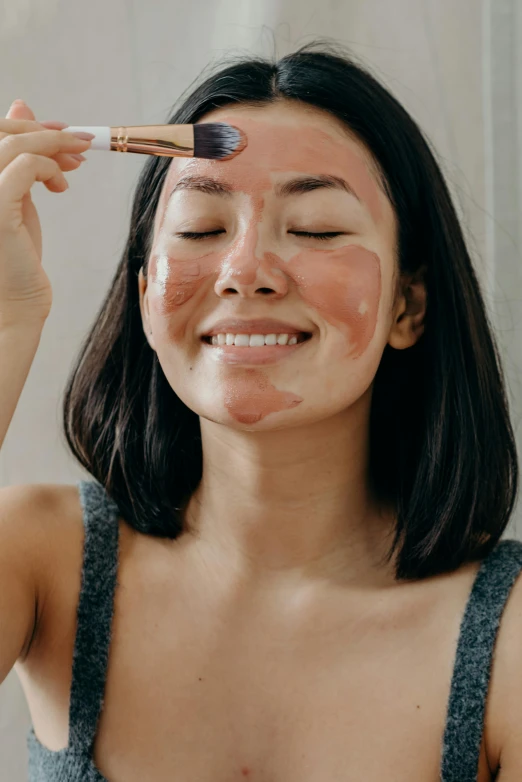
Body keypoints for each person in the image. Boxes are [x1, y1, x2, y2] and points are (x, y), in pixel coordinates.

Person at [0, 41, 521, 782]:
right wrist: (7, 321)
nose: (246, 270)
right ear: (147, 297)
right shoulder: (39, 561)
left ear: (409, 305)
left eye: (315, 228)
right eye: (202, 231)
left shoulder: (509, 642)